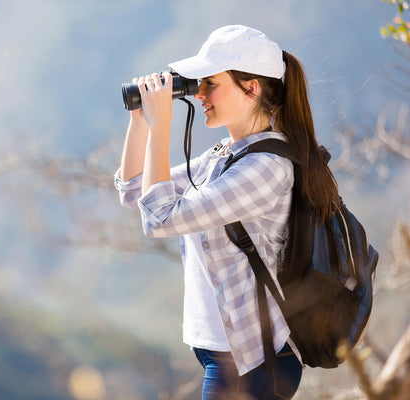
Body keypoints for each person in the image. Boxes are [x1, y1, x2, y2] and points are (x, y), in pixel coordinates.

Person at [114, 25, 340, 399]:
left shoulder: (266, 167)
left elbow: (160, 218)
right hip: (223, 353)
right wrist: (140, 121)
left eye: (210, 84)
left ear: (251, 88)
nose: (199, 94)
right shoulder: (226, 154)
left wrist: (162, 126)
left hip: (253, 362)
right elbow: (137, 192)